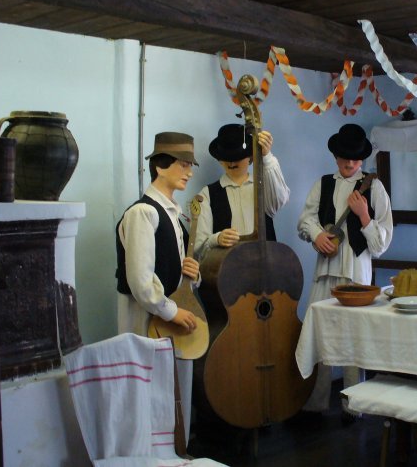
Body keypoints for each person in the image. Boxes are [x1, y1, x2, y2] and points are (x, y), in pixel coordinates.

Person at [297, 123, 393, 422]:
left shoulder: (375, 188)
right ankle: (315, 403)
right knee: (320, 334)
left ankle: (354, 405)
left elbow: (381, 245)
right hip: (325, 271)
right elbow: (305, 220)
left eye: (354, 158)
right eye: (344, 157)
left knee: (353, 338)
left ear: (362, 159)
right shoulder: (323, 184)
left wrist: (364, 216)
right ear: (336, 157)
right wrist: (317, 236)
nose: (349, 163)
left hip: (356, 273)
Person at [115, 131, 200, 443]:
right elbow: (141, 280)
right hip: (147, 319)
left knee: (175, 393)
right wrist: (171, 311)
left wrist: (192, 274)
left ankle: (177, 451)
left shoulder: (173, 214)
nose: (189, 172)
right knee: (151, 394)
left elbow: (174, 268)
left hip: (171, 319)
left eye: (190, 165)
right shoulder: (143, 213)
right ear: (161, 166)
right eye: (182, 164)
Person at [193, 123, 289, 260]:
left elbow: (280, 200)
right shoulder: (207, 194)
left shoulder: (263, 187)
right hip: (227, 268)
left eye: (237, 158)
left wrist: (267, 157)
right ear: (220, 160)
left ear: (250, 157)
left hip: (265, 265)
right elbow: (199, 246)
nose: (232, 164)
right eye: (227, 159)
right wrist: (217, 239)